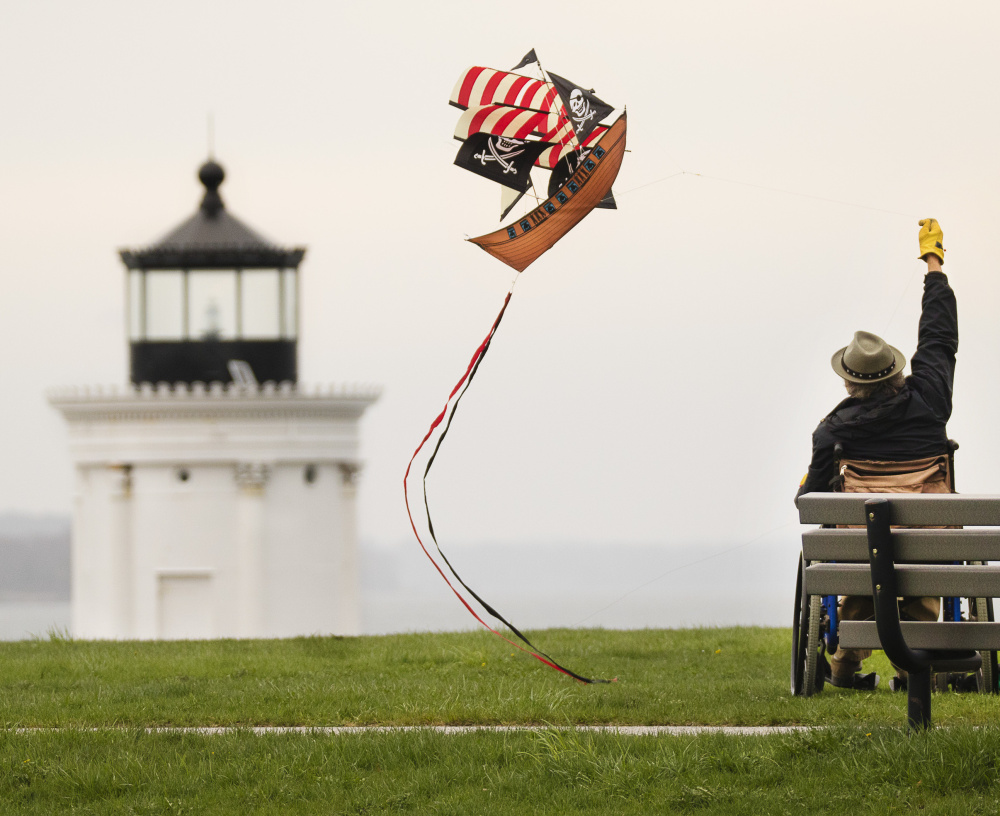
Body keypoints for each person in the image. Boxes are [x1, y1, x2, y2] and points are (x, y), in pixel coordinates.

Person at [796, 218, 956, 691]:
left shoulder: (832, 430)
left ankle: (845, 667)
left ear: (850, 382)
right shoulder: (930, 399)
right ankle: (916, 667)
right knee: (922, 559)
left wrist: (806, 488)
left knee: (864, 558)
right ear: (896, 371)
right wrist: (934, 264)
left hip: (862, 550)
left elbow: (814, 499)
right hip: (932, 542)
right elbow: (940, 336)